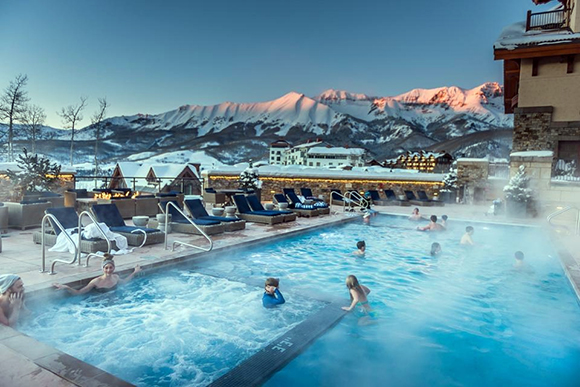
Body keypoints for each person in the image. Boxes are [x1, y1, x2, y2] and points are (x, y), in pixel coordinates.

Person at [53, 254, 141, 295]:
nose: (108, 270)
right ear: (102, 269)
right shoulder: (96, 282)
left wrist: (134, 272)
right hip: (100, 304)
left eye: (111, 267)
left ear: (114, 268)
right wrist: (66, 287)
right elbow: (79, 292)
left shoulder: (115, 277)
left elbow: (124, 282)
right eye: (106, 268)